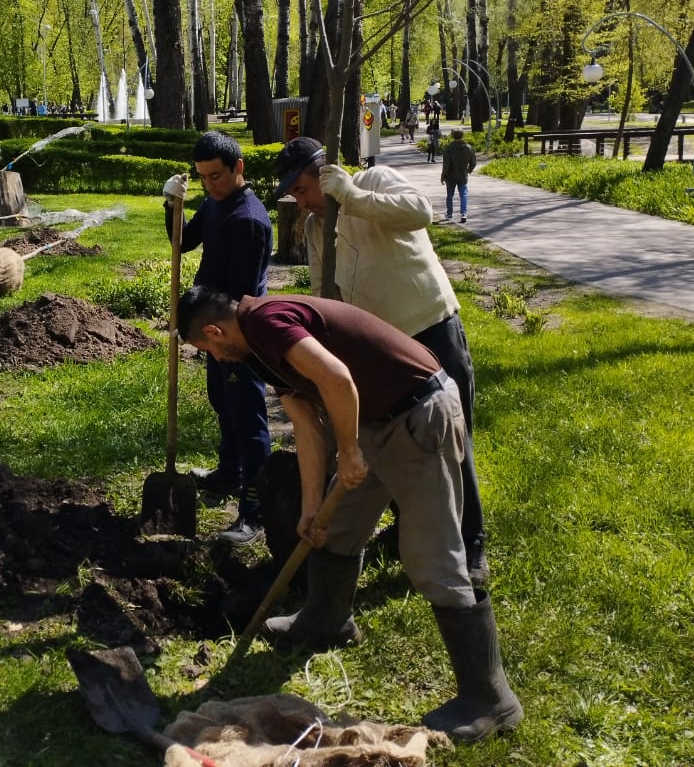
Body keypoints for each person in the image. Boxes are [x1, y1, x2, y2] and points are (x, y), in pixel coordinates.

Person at [176, 285, 523, 744]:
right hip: (376, 420)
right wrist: (313, 506)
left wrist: (350, 450)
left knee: (432, 556)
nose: (217, 360)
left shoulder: (267, 322)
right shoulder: (258, 348)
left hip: (419, 414)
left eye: (209, 350)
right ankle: (326, 623)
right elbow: (305, 424)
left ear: (216, 330)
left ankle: (491, 699)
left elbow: (338, 379)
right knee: (335, 530)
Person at [274, 137, 489, 583]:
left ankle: (470, 549)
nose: (302, 201)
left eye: (303, 189)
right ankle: (412, 529)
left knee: (451, 445)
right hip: (383, 352)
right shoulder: (318, 229)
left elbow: (419, 211)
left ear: (324, 172)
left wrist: (351, 197)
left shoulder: (373, 181)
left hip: (430, 328)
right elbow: (323, 293)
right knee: (393, 447)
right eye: (294, 194)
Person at [162, 131, 274, 545]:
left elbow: (238, 300)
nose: (210, 184)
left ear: (238, 168)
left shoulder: (248, 221)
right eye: (203, 178)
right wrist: (172, 205)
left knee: (247, 418)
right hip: (211, 329)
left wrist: (203, 324)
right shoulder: (215, 201)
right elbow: (183, 241)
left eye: (217, 176)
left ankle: (254, 512)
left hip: (236, 337)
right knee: (222, 404)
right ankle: (230, 474)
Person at [441, 129, 477, 223]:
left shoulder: (449, 148)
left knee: (450, 195)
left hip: (450, 175)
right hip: (463, 175)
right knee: (463, 195)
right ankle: (463, 214)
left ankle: (449, 214)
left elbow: (446, 164)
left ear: (453, 136)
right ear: (462, 136)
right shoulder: (468, 148)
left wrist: (443, 175)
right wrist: (468, 170)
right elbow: (473, 162)